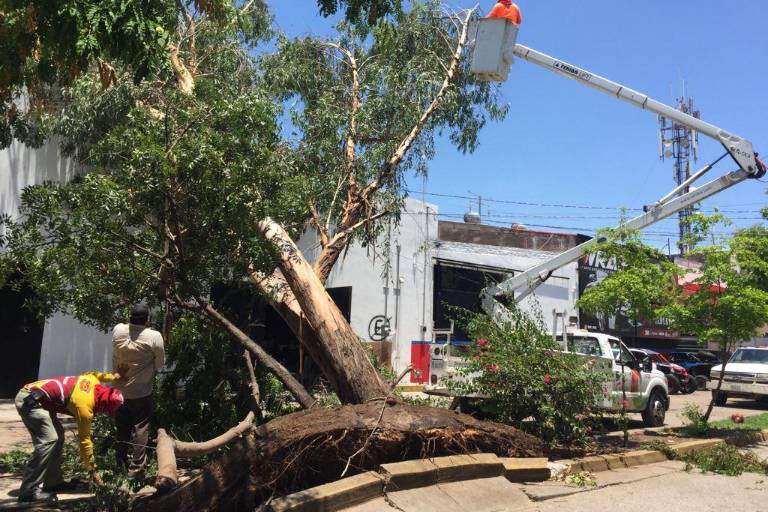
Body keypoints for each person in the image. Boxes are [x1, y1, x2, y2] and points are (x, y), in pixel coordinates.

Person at [14, 372, 125, 504]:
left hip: (38, 397)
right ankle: (28, 491)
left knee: (59, 437)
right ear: (103, 405)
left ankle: (53, 482)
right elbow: (85, 441)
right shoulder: (84, 407)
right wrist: (92, 471)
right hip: (29, 400)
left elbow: (94, 374)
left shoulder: (92, 381)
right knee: (49, 439)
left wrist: (113, 377)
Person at [112, 303, 165, 477]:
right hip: (141, 392)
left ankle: (119, 463)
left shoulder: (118, 330)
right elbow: (160, 364)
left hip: (119, 392)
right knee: (141, 428)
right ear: (147, 319)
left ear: (129, 316)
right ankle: (136, 469)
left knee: (122, 427)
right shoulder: (154, 336)